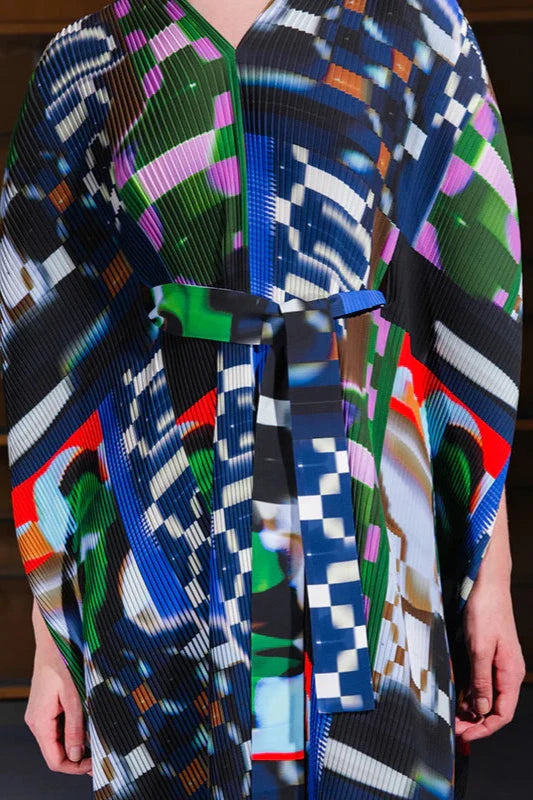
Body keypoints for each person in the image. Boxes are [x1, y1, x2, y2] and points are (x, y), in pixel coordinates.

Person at [0, 0, 525, 797]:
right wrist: (52, 640)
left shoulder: (419, 29)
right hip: (162, 525)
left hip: (364, 512)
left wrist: (491, 576)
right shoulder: (91, 56)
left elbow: (463, 320)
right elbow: (56, 343)